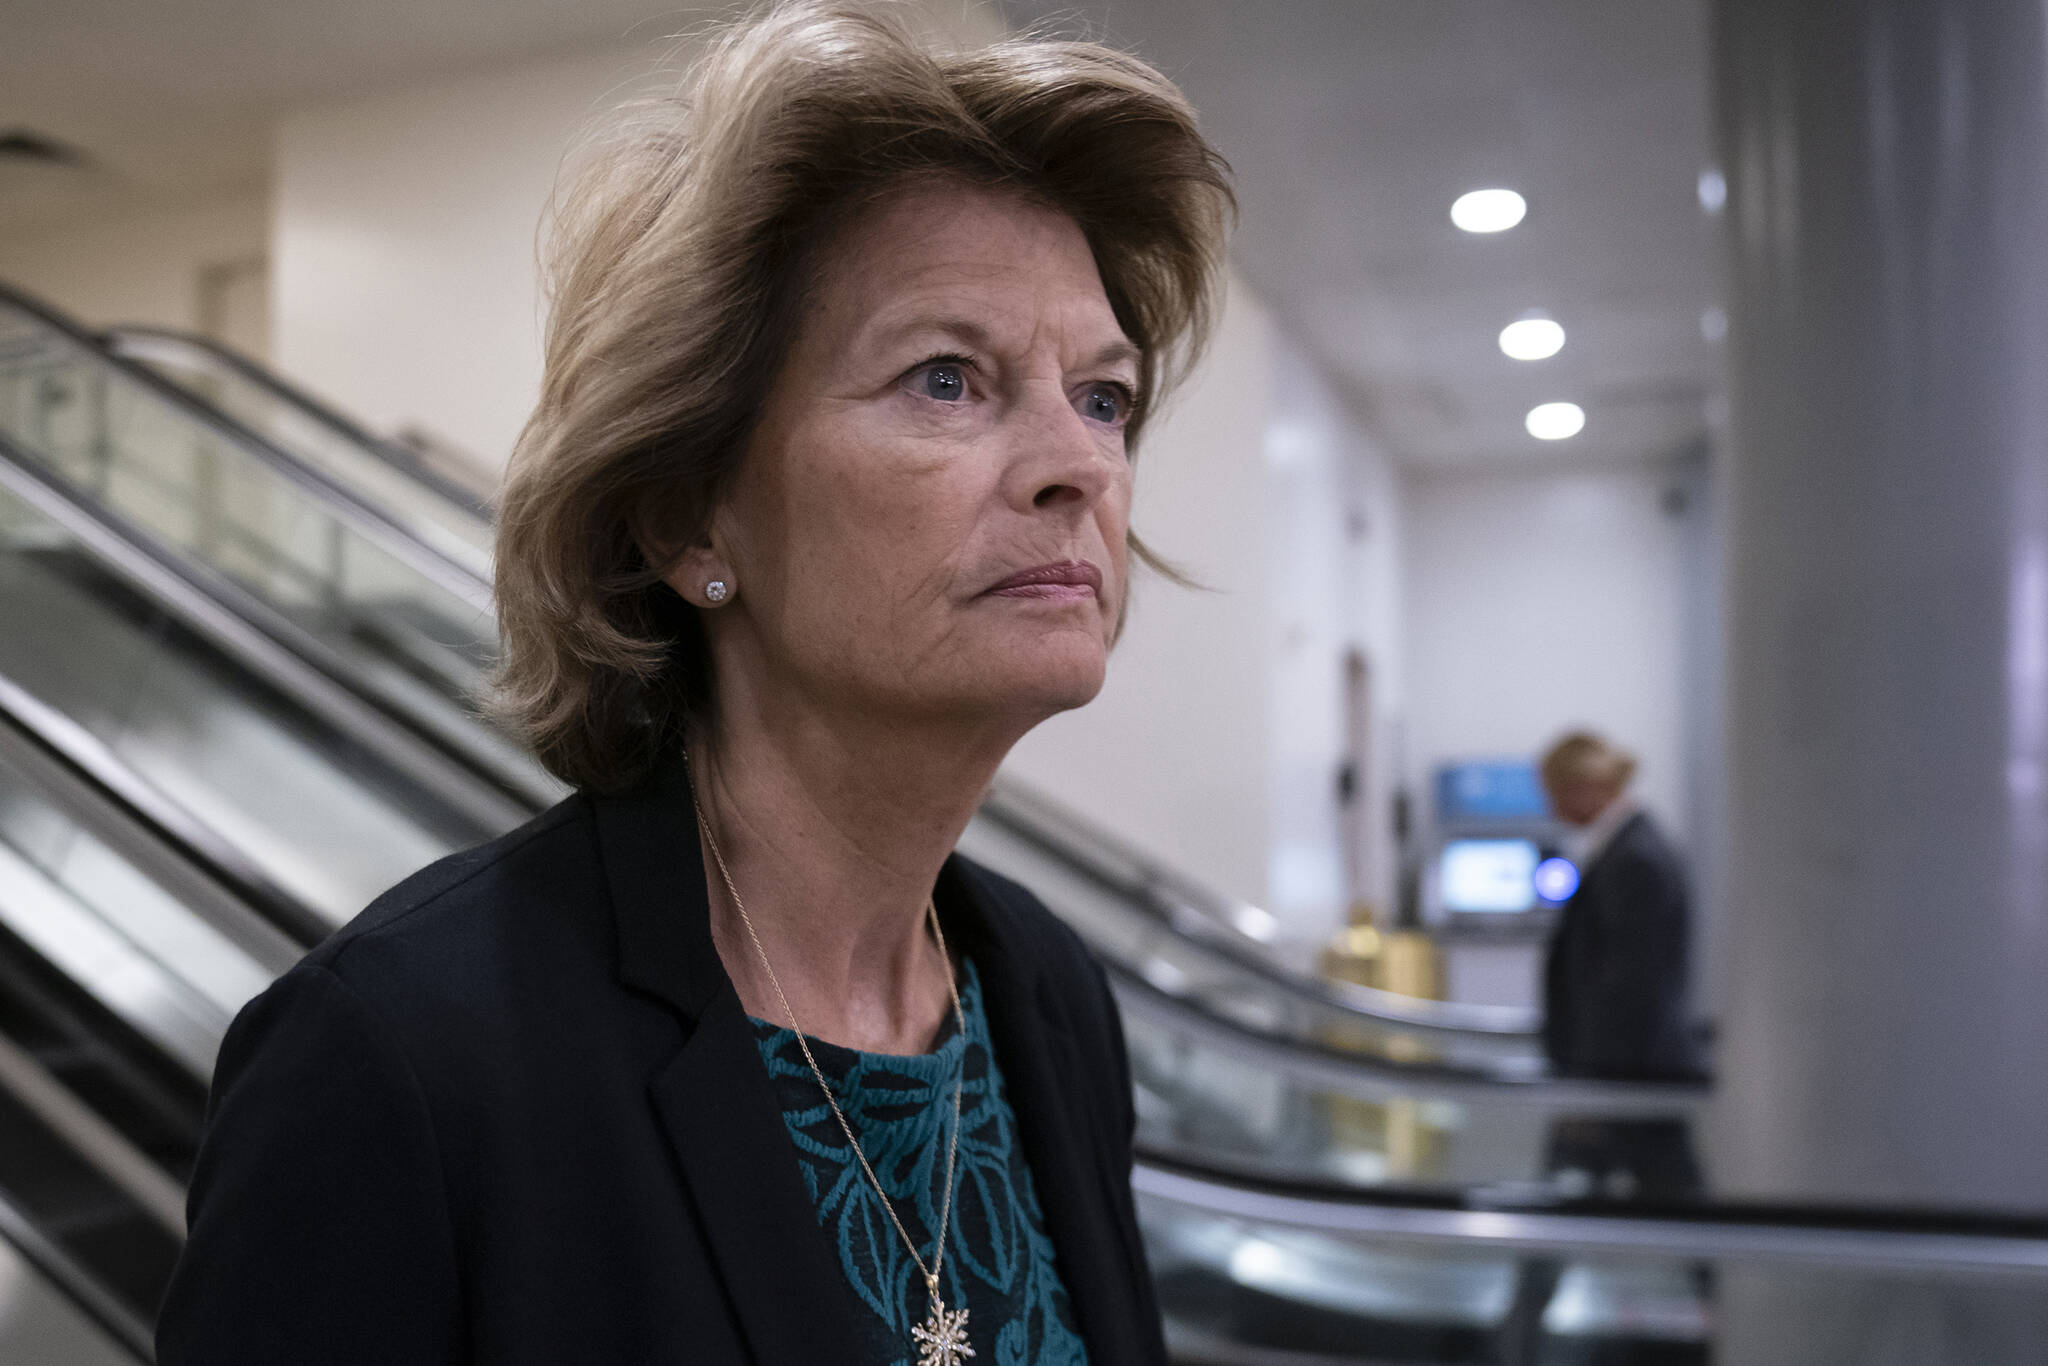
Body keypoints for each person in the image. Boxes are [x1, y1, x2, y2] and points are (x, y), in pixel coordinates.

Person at [155, 5, 1231, 1363]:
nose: (1075, 463)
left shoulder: (1049, 992)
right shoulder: (402, 1055)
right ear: (687, 521)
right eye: (947, 378)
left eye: (1104, 395)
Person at [1538, 730, 1706, 1083]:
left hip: (1628, 1071)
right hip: (1622, 1065)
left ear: (1585, 788)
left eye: (1555, 794)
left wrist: (1593, 1081)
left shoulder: (1634, 859)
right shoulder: (1625, 847)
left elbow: (1631, 982)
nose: (1552, 808)